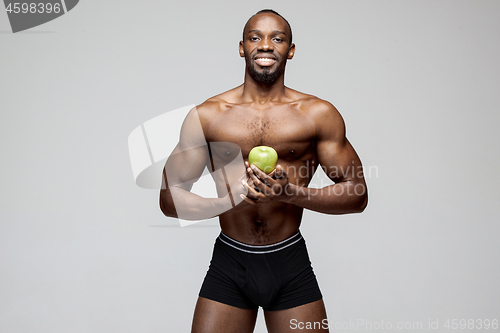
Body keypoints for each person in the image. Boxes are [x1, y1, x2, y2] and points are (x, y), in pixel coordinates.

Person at [159, 9, 368, 333]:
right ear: (242, 47)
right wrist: (228, 200)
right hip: (230, 261)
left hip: (289, 262)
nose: (266, 45)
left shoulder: (318, 114)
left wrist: (293, 193)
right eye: (256, 37)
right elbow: (169, 200)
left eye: (277, 38)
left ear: (291, 49)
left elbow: (357, 193)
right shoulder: (208, 115)